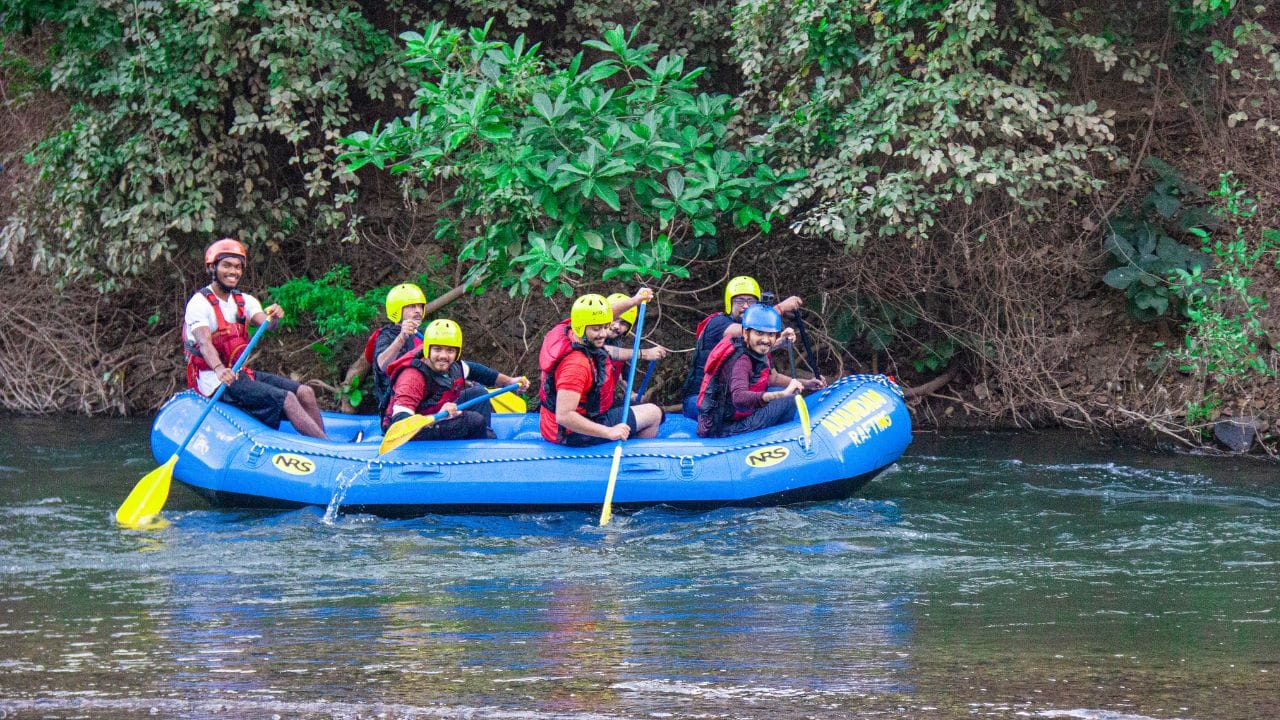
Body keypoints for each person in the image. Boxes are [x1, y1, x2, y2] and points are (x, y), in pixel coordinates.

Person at [184, 238, 327, 439]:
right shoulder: (199, 304)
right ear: (212, 268)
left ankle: (325, 442)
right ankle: (325, 446)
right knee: (286, 399)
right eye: (226, 266)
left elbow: (266, 324)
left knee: (305, 392)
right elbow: (205, 343)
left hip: (240, 373)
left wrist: (273, 316)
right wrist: (219, 369)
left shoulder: (245, 301)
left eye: (237, 267)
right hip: (214, 380)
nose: (233, 272)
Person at [540, 294, 665, 446]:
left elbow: (605, 315)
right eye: (597, 329)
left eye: (606, 326)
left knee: (640, 409)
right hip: (568, 432)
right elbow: (564, 416)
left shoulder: (570, 330)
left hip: (567, 419)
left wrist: (635, 301)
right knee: (654, 413)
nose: (604, 334)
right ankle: (634, 460)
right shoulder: (576, 366)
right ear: (582, 326)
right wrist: (609, 432)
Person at [383, 319, 530, 440]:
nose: (443, 356)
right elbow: (400, 421)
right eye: (438, 349)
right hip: (411, 431)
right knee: (473, 420)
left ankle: (485, 441)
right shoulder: (412, 377)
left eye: (450, 350)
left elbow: (480, 372)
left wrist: (510, 381)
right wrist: (437, 418)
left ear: (457, 353)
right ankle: (478, 442)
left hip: (433, 413)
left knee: (479, 393)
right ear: (427, 349)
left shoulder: (454, 366)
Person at [680, 275, 804, 418]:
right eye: (739, 301)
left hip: (731, 396)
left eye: (750, 301)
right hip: (699, 399)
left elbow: (772, 378)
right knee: (749, 404)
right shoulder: (718, 324)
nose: (745, 306)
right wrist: (780, 308)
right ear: (729, 303)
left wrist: (805, 384)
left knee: (789, 396)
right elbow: (746, 330)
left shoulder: (757, 341)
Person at [696, 304, 824, 438]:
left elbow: (770, 379)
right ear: (746, 333)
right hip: (723, 430)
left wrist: (807, 383)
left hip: (726, 420)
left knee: (780, 395)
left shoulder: (751, 349)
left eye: (771, 334)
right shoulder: (741, 361)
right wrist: (783, 393)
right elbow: (739, 398)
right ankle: (784, 442)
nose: (765, 339)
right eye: (759, 333)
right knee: (788, 399)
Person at [604, 291, 669, 403]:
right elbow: (603, 351)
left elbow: (617, 376)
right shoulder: (586, 337)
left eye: (623, 324)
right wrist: (644, 353)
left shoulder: (616, 343)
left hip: (602, 402)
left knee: (653, 412)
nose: (616, 326)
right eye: (614, 319)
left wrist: (630, 393)